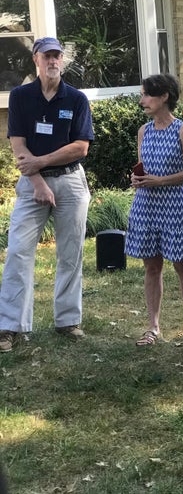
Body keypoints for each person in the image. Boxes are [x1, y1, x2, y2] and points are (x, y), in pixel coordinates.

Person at [0, 37, 93, 353]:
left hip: (71, 184)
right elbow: (18, 144)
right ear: (36, 61)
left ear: (62, 61)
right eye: (47, 56)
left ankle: (68, 321)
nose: (53, 61)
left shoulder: (76, 99)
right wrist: (38, 180)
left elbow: (80, 147)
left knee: (70, 252)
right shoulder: (21, 97)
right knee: (19, 252)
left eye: (57, 56)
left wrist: (41, 161)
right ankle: (11, 328)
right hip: (31, 185)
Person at [124, 74, 183, 346]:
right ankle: (153, 327)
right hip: (147, 205)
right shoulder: (143, 131)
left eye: (147, 95)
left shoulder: (182, 130)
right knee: (152, 268)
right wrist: (137, 179)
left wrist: (160, 181)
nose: (142, 101)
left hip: (176, 205)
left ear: (164, 96)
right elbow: (144, 168)